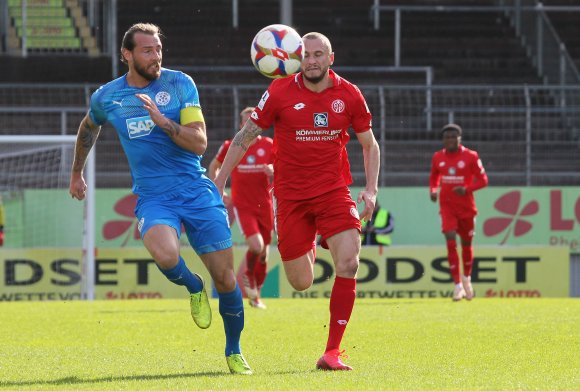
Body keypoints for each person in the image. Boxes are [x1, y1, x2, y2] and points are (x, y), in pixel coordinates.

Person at [68, 23, 252, 375]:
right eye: (147, 51)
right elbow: (88, 127)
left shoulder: (180, 84)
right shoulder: (108, 97)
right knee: (166, 255)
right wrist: (76, 172)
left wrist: (163, 121)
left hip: (195, 190)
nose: (156, 57)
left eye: (158, 50)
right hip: (154, 197)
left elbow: (199, 143)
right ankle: (194, 286)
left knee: (226, 278)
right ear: (127, 54)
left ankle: (233, 350)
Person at [214, 32, 380, 371]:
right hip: (290, 197)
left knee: (348, 263)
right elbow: (245, 137)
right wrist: (218, 181)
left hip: (334, 191)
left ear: (331, 58)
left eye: (319, 54)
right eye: (306, 55)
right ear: (295, 58)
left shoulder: (349, 94)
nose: (312, 60)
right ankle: (314, 240)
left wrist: (371, 189)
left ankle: (332, 352)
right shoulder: (279, 91)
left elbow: (370, 145)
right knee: (300, 282)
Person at [208, 107, 274, 310]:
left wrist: (273, 170)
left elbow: (285, 168)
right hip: (243, 206)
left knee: (264, 255)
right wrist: (219, 187)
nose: (250, 125)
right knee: (256, 246)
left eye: (253, 122)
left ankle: (255, 295)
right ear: (240, 125)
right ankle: (247, 277)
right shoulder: (231, 145)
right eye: (246, 122)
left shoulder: (269, 146)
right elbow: (213, 167)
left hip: (266, 205)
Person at [429, 123, 488, 302]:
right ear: (443, 140)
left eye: (454, 137)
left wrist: (467, 189)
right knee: (450, 238)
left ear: (459, 138)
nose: (450, 140)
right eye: (447, 137)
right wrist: (433, 190)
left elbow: (483, 180)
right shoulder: (438, 156)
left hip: (466, 208)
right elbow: (434, 176)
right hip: (447, 206)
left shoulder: (471, 156)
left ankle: (467, 279)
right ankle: (457, 286)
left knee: (466, 244)